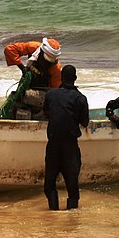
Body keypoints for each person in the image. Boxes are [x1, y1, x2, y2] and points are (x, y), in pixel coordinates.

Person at [42, 65, 89, 210]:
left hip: (53, 145)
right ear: (75, 79)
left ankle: (53, 213)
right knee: (72, 187)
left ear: (61, 78)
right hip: (70, 147)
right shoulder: (80, 98)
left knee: (49, 185)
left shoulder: (51, 94)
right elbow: (84, 122)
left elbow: (46, 113)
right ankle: (72, 219)